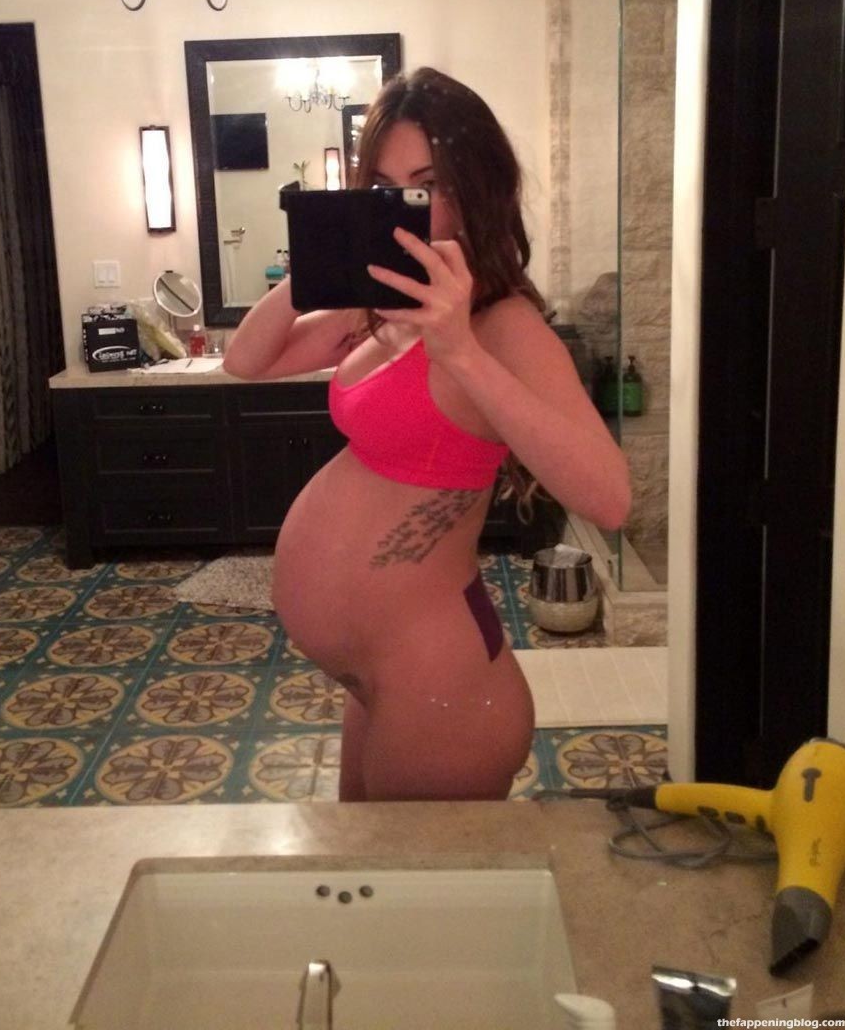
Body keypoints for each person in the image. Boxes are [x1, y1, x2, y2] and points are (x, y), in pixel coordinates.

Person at [223, 66, 631, 801]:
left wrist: (461, 351)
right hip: (378, 677)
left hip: (442, 687)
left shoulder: (502, 324)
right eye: (382, 186)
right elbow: (246, 360)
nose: (404, 205)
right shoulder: (379, 307)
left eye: (428, 183)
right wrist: (321, 259)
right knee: (366, 863)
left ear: (476, 189)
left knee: (406, 876)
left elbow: (610, 498)